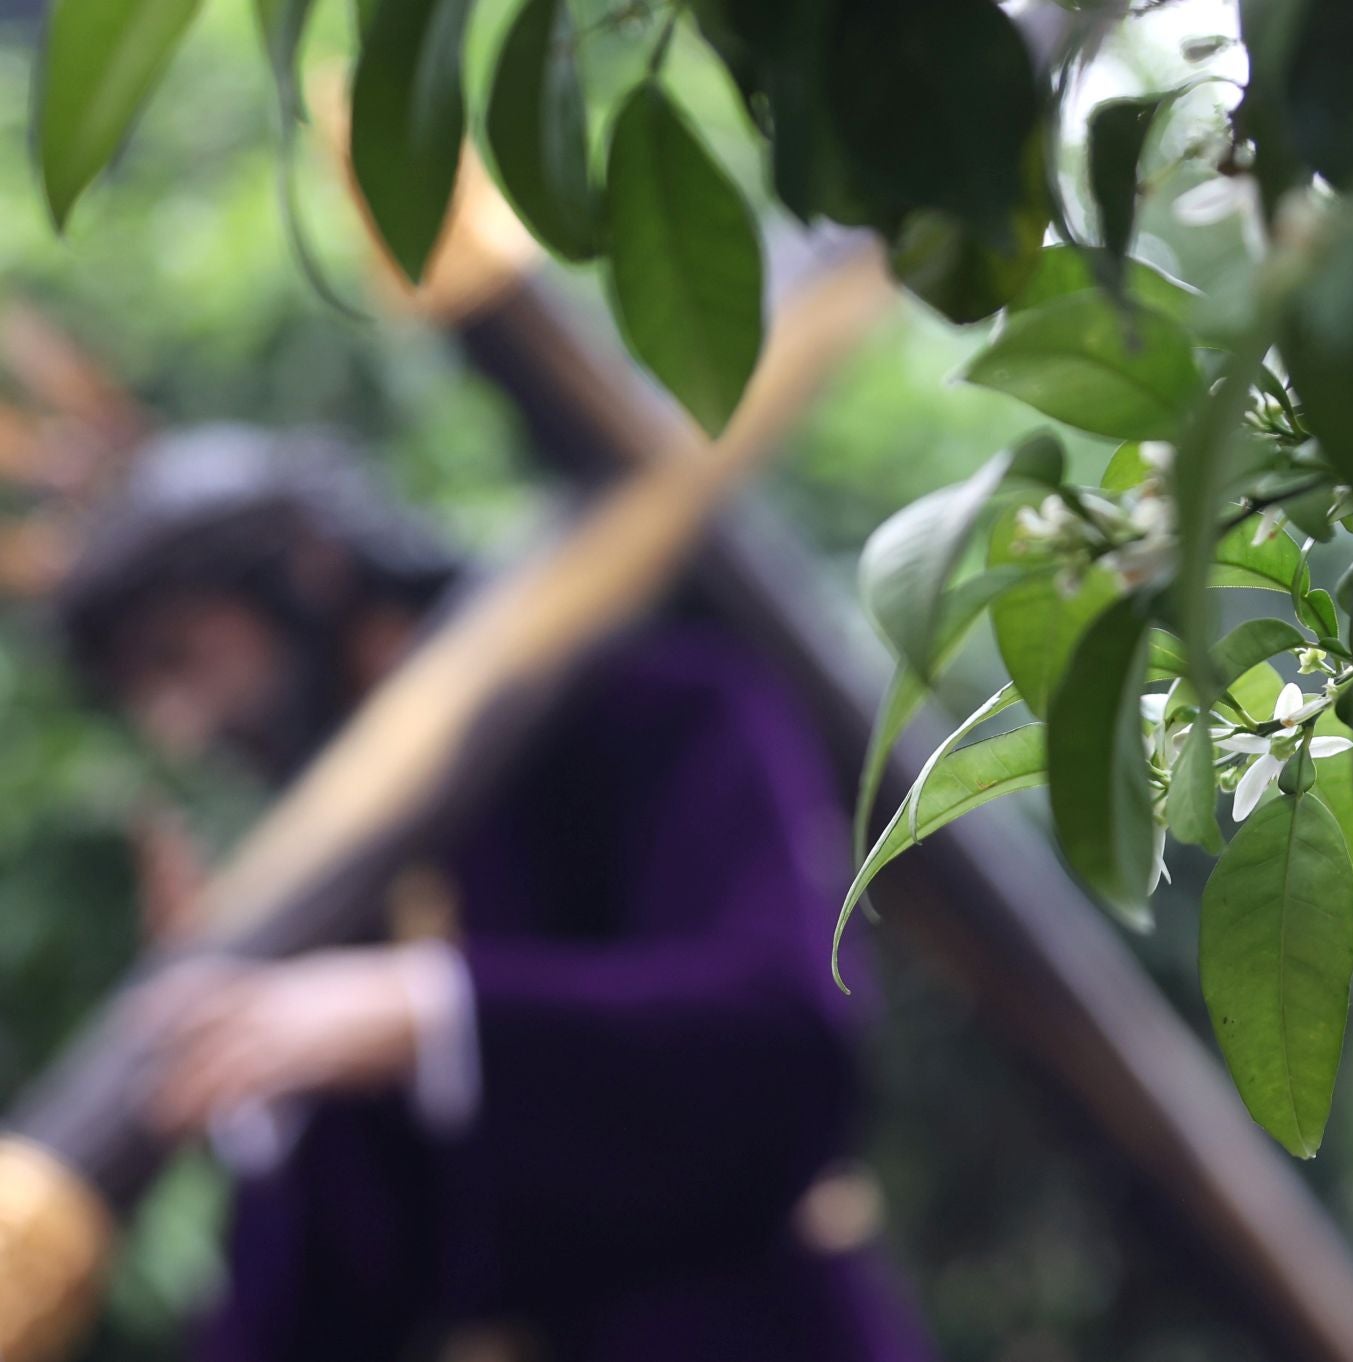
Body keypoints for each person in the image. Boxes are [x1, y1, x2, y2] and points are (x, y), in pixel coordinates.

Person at [55, 425, 933, 1362]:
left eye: (183, 656)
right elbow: (341, 1288)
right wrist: (265, 1102)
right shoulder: (330, 876)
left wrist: (426, 1012)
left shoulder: (653, 696)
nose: (181, 728)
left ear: (308, 574)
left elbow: (787, 1051)